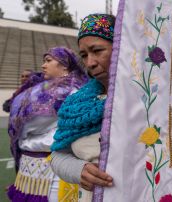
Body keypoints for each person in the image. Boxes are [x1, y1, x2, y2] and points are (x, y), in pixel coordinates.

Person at [7, 47, 87, 201]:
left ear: (64, 65)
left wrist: (21, 129)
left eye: (49, 60)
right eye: (44, 61)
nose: (43, 65)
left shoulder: (72, 91)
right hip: (29, 169)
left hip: (54, 171)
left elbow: (30, 124)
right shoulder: (42, 89)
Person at [50, 14, 115, 202]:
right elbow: (58, 156)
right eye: (84, 55)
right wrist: (80, 170)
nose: (90, 63)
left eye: (97, 50)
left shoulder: (148, 98)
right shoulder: (75, 104)